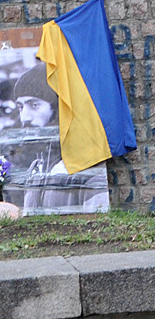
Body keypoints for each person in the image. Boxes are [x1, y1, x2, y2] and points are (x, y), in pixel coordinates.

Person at [13, 63, 109, 212]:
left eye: (34, 105)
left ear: (58, 108)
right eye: (20, 107)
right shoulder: (36, 168)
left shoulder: (87, 164)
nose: (24, 117)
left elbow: (97, 219)